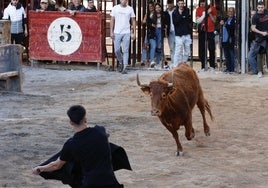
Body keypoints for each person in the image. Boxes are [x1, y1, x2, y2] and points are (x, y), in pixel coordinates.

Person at [32, 105, 124, 188]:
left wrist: (40, 168)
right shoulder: (100, 132)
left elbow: (56, 165)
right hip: (110, 183)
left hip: (90, 184)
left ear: (71, 122)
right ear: (85, 119)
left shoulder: (71, 144)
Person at [110, 0, 136, 74]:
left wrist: (134, 32)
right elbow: (112, 20)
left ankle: (124, 67)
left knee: (125, 50)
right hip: (117, 32)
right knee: (117, 50)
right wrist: (111, 31)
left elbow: (133, 20)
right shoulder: (115, 8)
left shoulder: (130, 9)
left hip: (126, 32)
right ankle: (120, 61)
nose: (124, 1)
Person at [248, 1, 268, 78]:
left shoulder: (267, 12)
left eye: (262, 7)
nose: (260, 9)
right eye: (259, 7)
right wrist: (262, 33)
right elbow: (253, 28)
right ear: (257, 7)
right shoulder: (255, 17)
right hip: (260, 37)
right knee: (260, 54)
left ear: (264, 7)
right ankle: (260, 71)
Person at [195, 0, 217, 71]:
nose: (202, 3)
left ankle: (212, 66)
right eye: (201, 2)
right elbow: (198, 21)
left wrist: (209, 13)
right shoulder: (198, 9)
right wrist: (204, 14)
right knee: (202, 49)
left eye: (203, 2)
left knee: (211, 48)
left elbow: (214, 21)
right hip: (202, 31)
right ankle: (203, 66)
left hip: (210, 31)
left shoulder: (212, 8)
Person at [172, 0, 192, 68]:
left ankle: (183, 64)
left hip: (187, 33)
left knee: (187, 51)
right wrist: (180, 15)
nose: (181, 5)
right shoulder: (174, 12)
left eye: (182, 3)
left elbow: (187, 20)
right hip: (179, 35)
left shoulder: (187, 10)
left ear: (184, 3)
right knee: (178, 51)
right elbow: (175, 23)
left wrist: (181, 17)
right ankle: (175, 66)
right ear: (177, 4)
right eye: (179, 3)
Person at [220, 7, 236, 73]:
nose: (230, 13)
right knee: (226, 55)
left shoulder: (234, 20)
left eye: (232, 11)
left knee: (231, 54)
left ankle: (232, 68)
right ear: (227, 13)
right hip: (224, 39)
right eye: (229, 11)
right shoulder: (226, 19)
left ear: (234, 12)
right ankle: (228, 68)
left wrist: (225, 24)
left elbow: (232, 28)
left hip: (230, 39)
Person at [140, 1, 155, 66]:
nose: (150, 7)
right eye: (149, 6)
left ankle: (152, 60)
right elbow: (143, 21)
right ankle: (143, 60)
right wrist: (149, 23)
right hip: (149, 31)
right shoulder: (147, 14)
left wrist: (148, 23)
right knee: (145, 46)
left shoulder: (156, 13)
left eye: (152, 6)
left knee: (154, 46)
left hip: (154, 32)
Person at [165, 0, 176, 66]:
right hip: (170, 32)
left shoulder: (176, 11)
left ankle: (177, 63)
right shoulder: (166, 12)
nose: (169, 5)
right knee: (172, 48)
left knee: (178, 48)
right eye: (168, 3)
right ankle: (173, 62)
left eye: (170, 3)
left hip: (177, 32)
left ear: (173, 3)